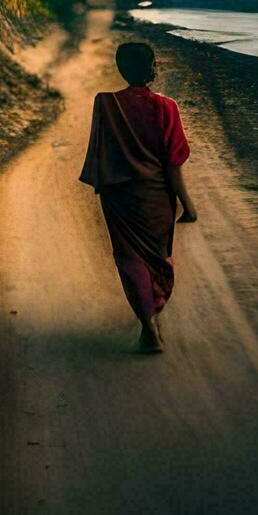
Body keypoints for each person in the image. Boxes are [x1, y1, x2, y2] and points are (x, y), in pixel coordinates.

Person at [79, 42, 197, 352]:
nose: (157, 67)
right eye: (155, 62)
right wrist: (188, 204)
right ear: (151, 68)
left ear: (121, 69)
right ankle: (151, 317)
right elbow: (173, 163)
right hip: (157, 198)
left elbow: (101, 151)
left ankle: (149, 326)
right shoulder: (166, 107)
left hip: (120, 198)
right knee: (157, 260)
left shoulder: (105, 104)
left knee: (129, 259)